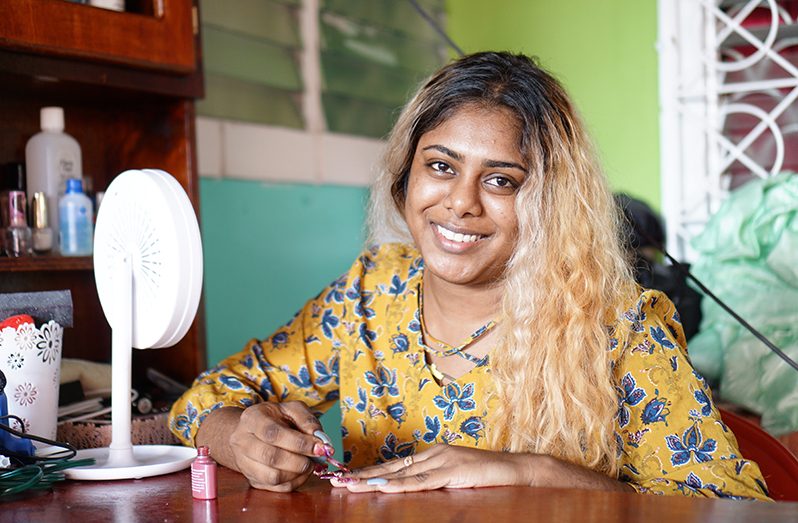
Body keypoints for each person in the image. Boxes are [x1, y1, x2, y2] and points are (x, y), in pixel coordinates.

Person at [169, 52, 770, 499]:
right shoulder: (370, 295)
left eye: (501, 180)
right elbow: (202, 401)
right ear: (405, 176)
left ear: (550, 203)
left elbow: (733, 509)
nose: (460, 203)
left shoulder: (617, 326)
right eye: (440, 166)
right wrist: (239, 436)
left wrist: (532, 472)